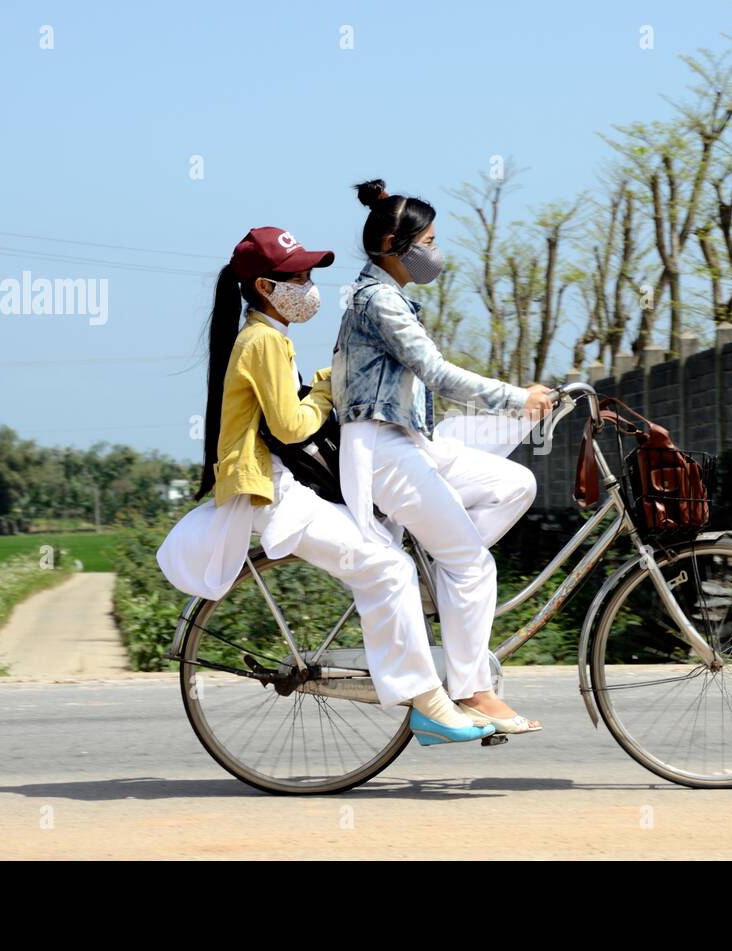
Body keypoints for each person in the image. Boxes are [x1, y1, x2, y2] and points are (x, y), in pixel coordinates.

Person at [156, 225, 495, 746]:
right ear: (265, 287)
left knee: (386, 556)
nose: (309, 287)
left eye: (308, 275)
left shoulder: (265, 336)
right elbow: (292, 426)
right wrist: (326, 389)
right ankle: (428, 703)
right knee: (388, 569)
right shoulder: (262, 340)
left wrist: (321, 385)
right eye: (299, 278)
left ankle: (426, 678)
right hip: (272, 491)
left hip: (280, 483)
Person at [331, 179, 555, 735]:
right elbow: (437, 373)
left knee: (514, 484)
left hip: (411, 442)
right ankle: (472, 692)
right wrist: (516, 398)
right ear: (393, 245)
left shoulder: (389, 296)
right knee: (472, 564)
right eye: (427, 243)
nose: (435, 253)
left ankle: (445, 578)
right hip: (382, 449)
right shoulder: (379, 301)